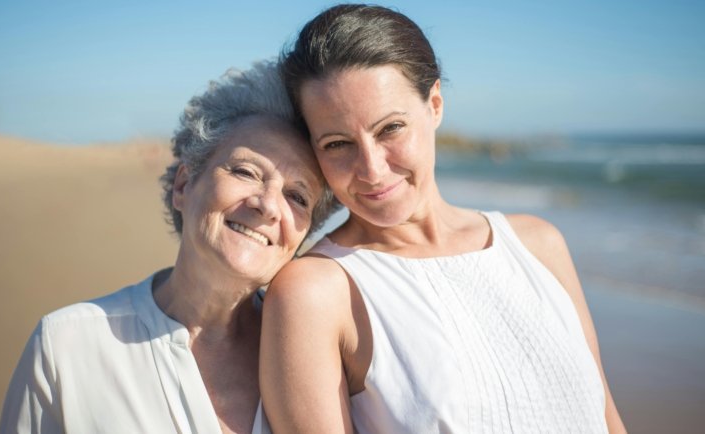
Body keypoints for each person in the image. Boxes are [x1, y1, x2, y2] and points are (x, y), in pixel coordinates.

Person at [260, 4, 627, 433]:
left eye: (390, 129)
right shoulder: (316, 291)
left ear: (434, 104)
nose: (372, 169)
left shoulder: (538, 245)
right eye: (338, 144)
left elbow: (607, 419)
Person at [0, 60, 335, 433]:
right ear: (183, 185)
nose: (269, 206)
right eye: (246, 172)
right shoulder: (67, 346)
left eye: (297, 196)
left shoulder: (319, 356)